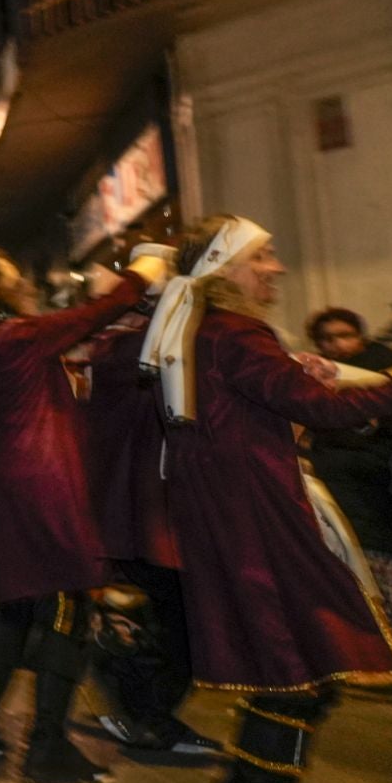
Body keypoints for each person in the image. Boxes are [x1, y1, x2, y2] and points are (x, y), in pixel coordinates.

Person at [143, 216, 392, 783]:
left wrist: (303, 379)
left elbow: (267, 402)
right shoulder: (237, 332)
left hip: (237, 518)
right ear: (226, 268)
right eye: (264, 255)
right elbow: (318, 411)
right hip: (259, 521)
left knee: (293, 673)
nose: (278, 267)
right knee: (297, 674)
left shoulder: (205, 334)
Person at [0, 247, 171, 783]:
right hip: (42, 488)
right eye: (16, 279)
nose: (26, 287)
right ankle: (48, 744)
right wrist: (140, 276)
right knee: (68, 606)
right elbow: (90, 315)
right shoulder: (16, 335)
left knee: (15, 611)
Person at [83, 301, 220, 755]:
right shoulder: (133, 351)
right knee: (183, 622)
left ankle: (143, 708)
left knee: (176, 619)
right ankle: (147, 714)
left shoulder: (119, 347)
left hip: (142, 512)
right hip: (148, 513)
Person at [304, 307, 392, 640]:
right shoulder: (320, 372)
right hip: (352, 481)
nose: (337, 345)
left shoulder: (387, 364)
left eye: (345, 335)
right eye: (327, 339)